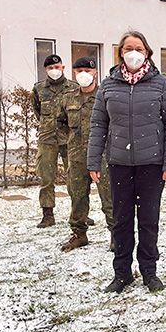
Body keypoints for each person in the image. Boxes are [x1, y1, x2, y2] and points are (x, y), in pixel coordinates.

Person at [88, 30, 166, 294]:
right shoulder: (107, 85)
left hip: (151, 164)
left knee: (149, 220)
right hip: (118, 162)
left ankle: (149, 272)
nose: (133, 53)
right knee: (121, 220)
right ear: (120, 53)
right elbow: (98, 125)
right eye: (128, 48)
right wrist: (93, 161)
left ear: (147, 53)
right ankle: (122, 273)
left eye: (139, 48)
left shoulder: (160, 84)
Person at [57, 57, 114, 252]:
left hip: (103, 155)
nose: (83, 74)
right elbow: (61, 123)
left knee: (110, 197)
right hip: (77, 155)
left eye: (87, 71)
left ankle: (116, 235)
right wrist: (73, 142)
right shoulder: (68, 97)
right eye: (79, 70)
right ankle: (79, 234)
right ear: (73, 73)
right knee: (78, 196)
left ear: (95, 72)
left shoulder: (105, 96)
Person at [32, 54, 76, 228]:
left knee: (75, 177)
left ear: (63, 68)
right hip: (47, 138)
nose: (54, 71)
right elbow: (37, 111)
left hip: (69, 138)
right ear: (46, 70)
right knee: (46, 178)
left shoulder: (73, 87)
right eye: (50, 68)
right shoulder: (39, 89)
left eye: (57, 67)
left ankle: (79, 212)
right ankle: (47, 214)